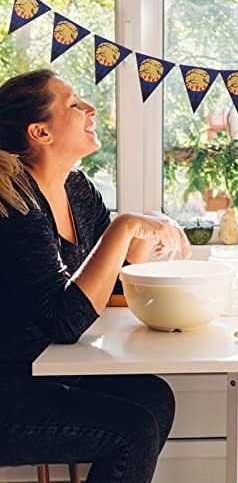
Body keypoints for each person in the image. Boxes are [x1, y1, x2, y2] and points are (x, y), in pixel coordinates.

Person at [0, 69, 191, 482]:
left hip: (49, 369)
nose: (89, 109)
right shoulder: (15, 202)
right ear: (40, 132)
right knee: (131, 429)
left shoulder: (76, 189)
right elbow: (66, 320)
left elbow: (109, 284)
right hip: (11, 385)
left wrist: (144, 230)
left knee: (154, 397)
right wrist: (124, 226)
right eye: (73, 104)